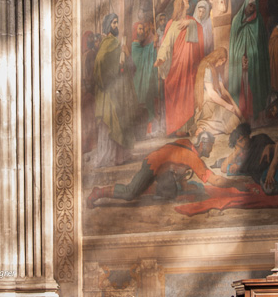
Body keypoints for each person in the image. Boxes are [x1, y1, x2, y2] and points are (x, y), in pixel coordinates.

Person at [87, 130, 241, 204]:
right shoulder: (192, 157)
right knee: (130, 193)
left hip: (162, 171)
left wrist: (183, 183)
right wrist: (235, 184)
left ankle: (150, 188)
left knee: (171, 193)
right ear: (202, 144)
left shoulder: (188, 144)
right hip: (152, 166)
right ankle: (99, 192)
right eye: (210, 146)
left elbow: (176, 163)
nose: (211, 149)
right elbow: (214, 180)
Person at [92, 13, 138, 167]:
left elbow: (126, 66)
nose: (116, 26)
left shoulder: (115, 43)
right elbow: (100, 62)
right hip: (109, 91)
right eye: (113, 23)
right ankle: (111, 156)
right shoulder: (110, 43)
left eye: (117, 23)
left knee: (120, 120)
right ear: (107, 25)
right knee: (113, 122)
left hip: (117, 89)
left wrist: (124, 57)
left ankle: (120, 156)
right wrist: (110, 76)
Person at [154, 0, 204, 134]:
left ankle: (188, 127)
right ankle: (178, 129)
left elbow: (199, 34)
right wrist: (161, 58)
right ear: (180, 4)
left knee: (188, 95)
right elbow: (166, 44)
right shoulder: (172, 23)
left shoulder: (192, 21)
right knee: (178, 96)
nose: (187, 0)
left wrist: (191, 24)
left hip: (189, 67)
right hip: (176, 67)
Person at [228, 0, 271, 121]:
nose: (251, 8)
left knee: (253, 88)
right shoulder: (236, 20)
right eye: (250, 5)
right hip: (240, 65)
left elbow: (262, 46)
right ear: (245, 4)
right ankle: (242, 116)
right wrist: (240, 58)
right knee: (242, 90)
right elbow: (233, 46)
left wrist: (252, 58)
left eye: (254, 6)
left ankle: (254, 116)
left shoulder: (259, 22)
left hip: (255, 64)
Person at [194, 47, 243, 136]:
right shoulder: (207, 67)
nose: (221, 64)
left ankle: (207, 129)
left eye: (223, 62)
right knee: (234, 124)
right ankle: (205, 128)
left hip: (217, 100)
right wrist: (227, 105)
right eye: (221, 61)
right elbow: (211, 93)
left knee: (236, 122)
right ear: (217, 58)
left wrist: (234, 105)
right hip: (209, 102)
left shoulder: (216, 68)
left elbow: (223, 90)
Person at [131, 21, 158, 133]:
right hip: (139, 80)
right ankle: (143, 130)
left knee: (148, 101)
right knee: (142, 104)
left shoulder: (141, 46)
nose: (141, 31)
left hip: (143, 78)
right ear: (135, 31)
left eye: (142, 29)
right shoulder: (135, 46)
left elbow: (146, 53)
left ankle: (149, 129)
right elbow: (140, 61)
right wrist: (153, 44)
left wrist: (153, 45)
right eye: (139, 29)